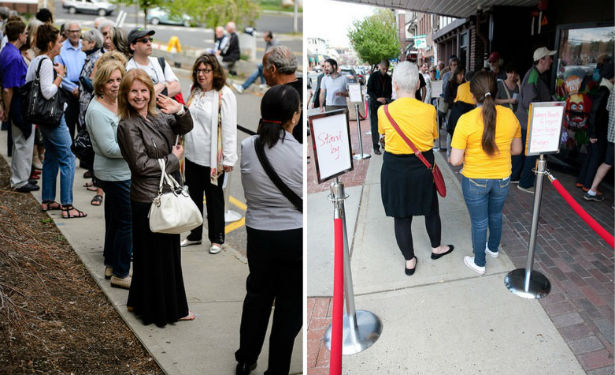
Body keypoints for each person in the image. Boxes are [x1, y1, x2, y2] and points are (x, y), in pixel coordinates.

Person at [117, 69, 194, 327]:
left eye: (143, 90)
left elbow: (185, 127)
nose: (139, 96)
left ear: (151, 92)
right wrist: (174, 159)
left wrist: (179, 110)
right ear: (125, 95)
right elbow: (140, 165)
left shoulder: (159, 117)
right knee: (154, 258)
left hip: (165, 194)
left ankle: (143, 303)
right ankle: (163, 311)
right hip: (148, 200)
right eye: (133, 91)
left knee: (165, 256)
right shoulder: (127, 126)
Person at [235, 85, 302, 375]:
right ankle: (277, 370)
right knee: (289, 306)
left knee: (257, 297)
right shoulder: (299, 153)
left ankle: (246, 358)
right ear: (294, 117)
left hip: (258, 236)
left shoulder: (248, 147)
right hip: (293, 236)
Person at [377, 61, 454, 276]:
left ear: (395, 84)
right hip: (423, 168)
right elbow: (432, 137)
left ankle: (409, 261)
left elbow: (383, 134)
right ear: (419, 83)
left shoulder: (383, 111)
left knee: (401, 218)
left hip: (394, 170)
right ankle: (436, 248)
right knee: (431, 210)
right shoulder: (429, 110)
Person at [449, 71, 523, 274]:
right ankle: (493, 249)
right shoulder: (509, 115)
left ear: (472, 94)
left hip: (475, 179)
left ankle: (479, 263)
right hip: (502, 178)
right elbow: (516, 150)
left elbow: (455, 160)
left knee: (479, 222)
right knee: (496, 215)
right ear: (496, 91)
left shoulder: (466, 120)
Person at [180, 54, 237, 254]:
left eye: (206, 70)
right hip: (192, 155)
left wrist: (229, 158)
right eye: (199, 70)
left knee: (214, 201)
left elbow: (229, 129)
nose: (201, 74)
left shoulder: (224, 94)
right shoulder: (193, 91)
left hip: (213, 158)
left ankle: (217, 238)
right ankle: (195, 234)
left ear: (215, 72)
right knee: (193, 198)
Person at [28, 24, 86, 218]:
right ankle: (68, 206)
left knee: (52, 156)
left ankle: (47, 199)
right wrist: (60, 75)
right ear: (51, 43)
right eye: (59, 41)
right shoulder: (45, 62)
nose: (61, 44)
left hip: (42, 118)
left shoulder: (36, 61)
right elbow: (47, 91)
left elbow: (29, 86)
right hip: (52, 118)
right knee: (69, 157)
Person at [86, 60, 132, 288]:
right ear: (100, 85)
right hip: (114, 174)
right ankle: (121, 274)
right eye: (109, 81)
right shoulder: (97, 110)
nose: (115, 85)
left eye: (118, 79)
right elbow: (109, 149)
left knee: (116, 221)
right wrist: (137, 148)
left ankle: (112, 264)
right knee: (127, 222)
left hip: (123, 171)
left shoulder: (119, 103)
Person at [511, 47, 556, 192]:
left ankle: (515, 178)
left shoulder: (533, 74)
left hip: (525, 122)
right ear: (542, 60)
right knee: (533, 153)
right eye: (549, 58)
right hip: (531, 122)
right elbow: (530, 101)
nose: (551, 60)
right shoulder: (533, 75)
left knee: (522, 152)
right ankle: (525, 183)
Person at [1, 19, 37, 192]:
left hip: (18, 102)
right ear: (20, 35)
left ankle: (20, 177)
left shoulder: (8, 51)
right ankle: (20, 180)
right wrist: (6, 110)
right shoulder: (14, 56)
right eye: (25, 33)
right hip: (19, 103)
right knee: (23, 141)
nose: (27, 36)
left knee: (19, 141)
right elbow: (8, 89)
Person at [582, 62, 614, 201]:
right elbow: (595, 112)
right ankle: (589, 186)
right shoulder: (605, 90)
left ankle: (589, 187)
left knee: (603, 161)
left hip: (608, 134)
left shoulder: (610, 90)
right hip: (600, 133)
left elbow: (606, 109)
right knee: (597, 158)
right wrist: (593, 133)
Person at [262, 45, 303, 143]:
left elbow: (265, 135)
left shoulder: (276, 97)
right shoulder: (303, 86)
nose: (263, 72)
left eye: (263, 67)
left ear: (272, 69)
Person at [126, 28, 181, 98]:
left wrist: (153, 94)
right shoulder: (127, 69)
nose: (149, 43)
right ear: (133, 46)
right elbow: (138, 97)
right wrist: (164, 84)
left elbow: (177, 87)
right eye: (144, 41)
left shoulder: (160, 62)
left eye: (150, 40)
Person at [55, 21, 85, 140]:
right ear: (66, 33)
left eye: (77, 31)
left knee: (83, 126)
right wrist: (74, 89)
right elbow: (59, 73)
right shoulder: (61, 49)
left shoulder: (85, 45)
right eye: (72, 31)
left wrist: (81, 89)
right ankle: (70, 154)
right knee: (69, 126)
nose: (75, 34)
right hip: (68, 91)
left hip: (84, 90)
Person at [366, 59, 392, 155]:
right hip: (375, 104)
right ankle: (375, 146)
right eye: (383, 69)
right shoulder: (373, 76)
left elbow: (389, 91)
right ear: (380, 67)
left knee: (386, 125)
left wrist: (386, 99)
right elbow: (369, 90)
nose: (385, 71)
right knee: (375, 126)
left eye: (386, 69)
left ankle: (384, 143)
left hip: (385, 104)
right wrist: (377, 98)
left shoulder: (388, 78)